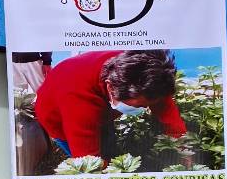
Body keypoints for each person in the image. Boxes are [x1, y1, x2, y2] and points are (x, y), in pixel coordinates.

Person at [34, 50, 186, 159]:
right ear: (110, 88)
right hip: (57, 116)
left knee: (109, 146)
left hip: (89, 95)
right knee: (85, 164)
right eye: (138, 106)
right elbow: (89, 160)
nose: (145, 109)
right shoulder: (79, 102)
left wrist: (183, 147)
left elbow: (166, 109)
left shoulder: (142, 71)